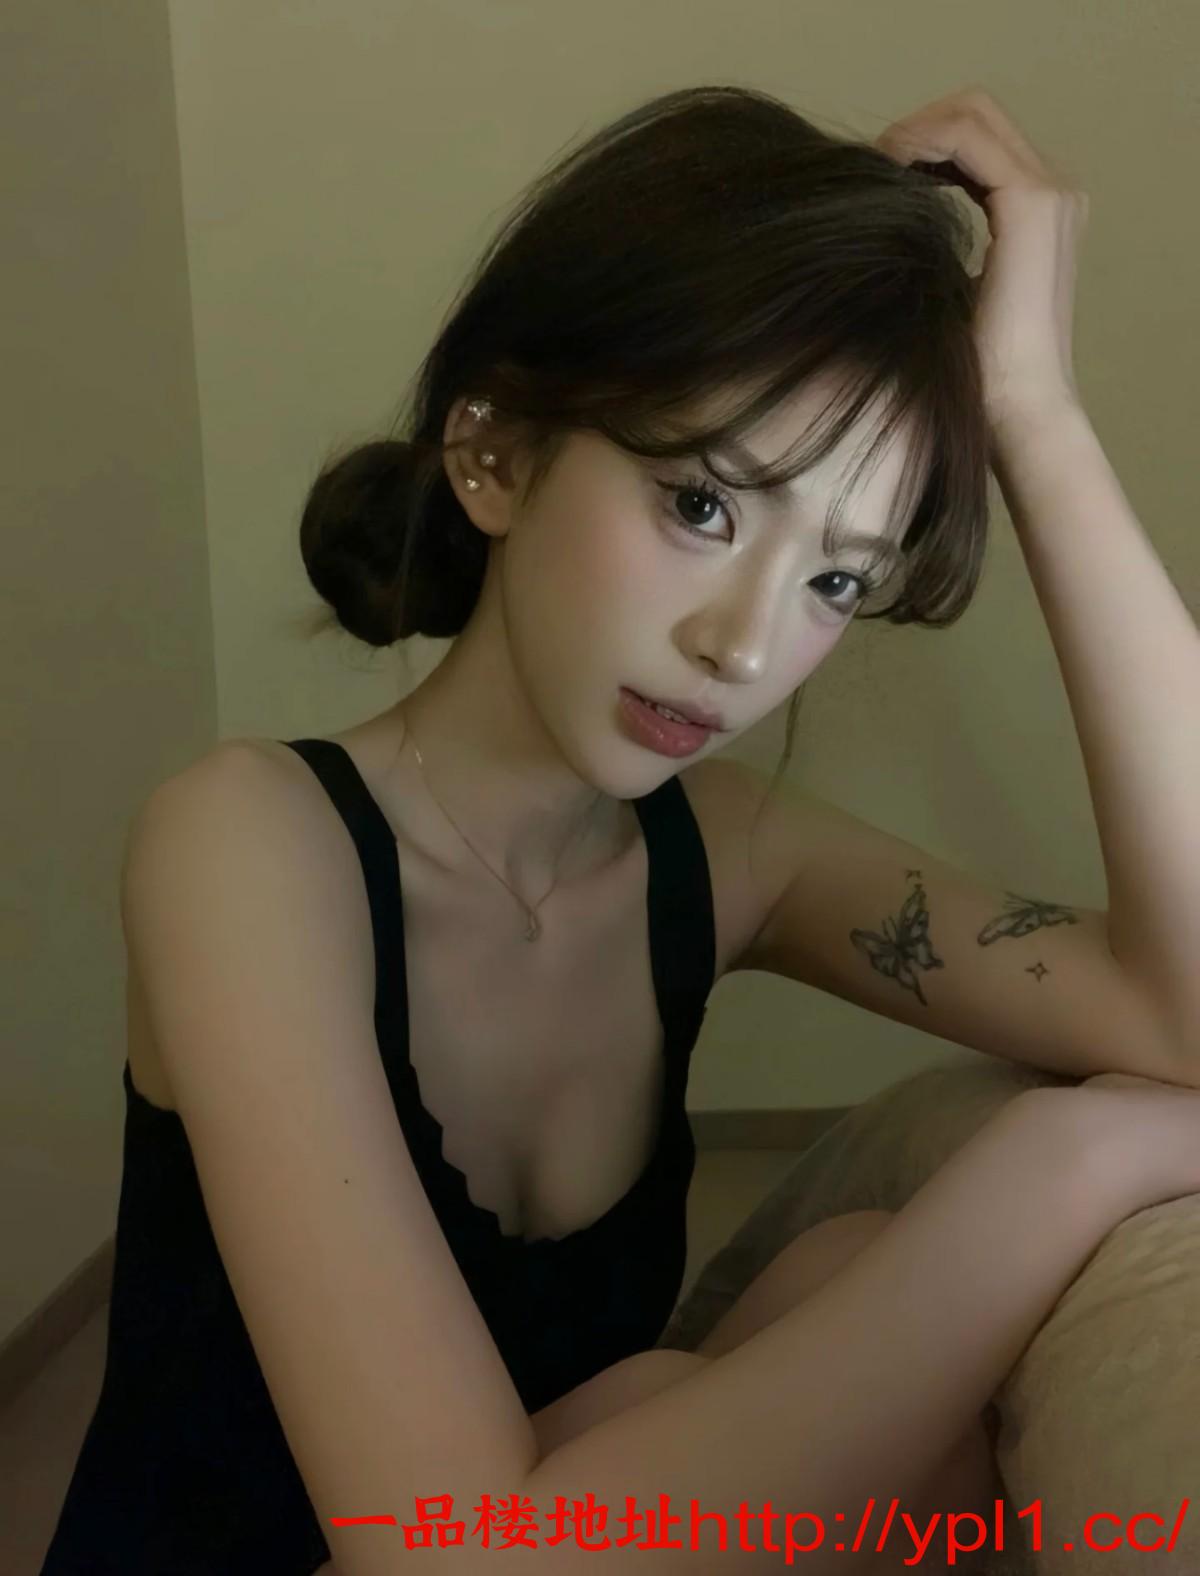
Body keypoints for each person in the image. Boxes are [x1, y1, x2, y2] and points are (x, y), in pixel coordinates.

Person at [41, 84, 1200, 1575]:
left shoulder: (732, 853)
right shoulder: (244, 844)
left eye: (836, 581)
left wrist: (1035, 411)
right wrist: (1066, 1159)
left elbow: (1181, 1009)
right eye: (702, 505)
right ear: (497, 456)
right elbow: (447, 1551)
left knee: (854, 1302)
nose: (745, 648)